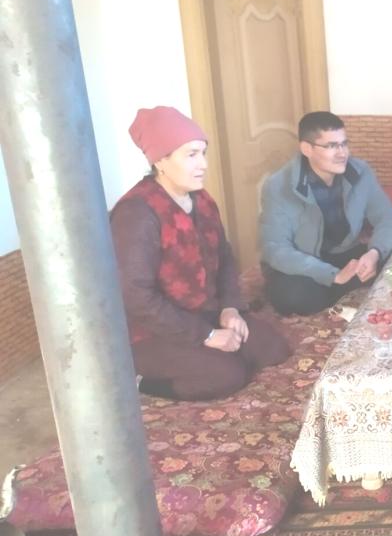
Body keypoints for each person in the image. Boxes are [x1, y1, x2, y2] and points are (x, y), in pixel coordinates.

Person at [111, 106, 291, 401]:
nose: (203, 164)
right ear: (160, 161)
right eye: (191, 155)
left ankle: (214, 351)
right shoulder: (137, 214)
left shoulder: (202, 200)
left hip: (206, 313)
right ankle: (142, 381)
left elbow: (225, 257)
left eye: (203, 153)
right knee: (226, 375)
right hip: (154, 330)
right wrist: (206, 336)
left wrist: (230, 308)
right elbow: (136, 297)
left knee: (272, 348)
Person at [260, 111, 392, 315]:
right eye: (332, 146)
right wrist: (332, 275)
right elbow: (276, 249)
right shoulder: (278, 186)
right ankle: (344, 287)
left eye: (344, 144)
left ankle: (345, 287)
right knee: (294, 297)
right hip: (305, 262)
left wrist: (374, 253)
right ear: (307, 149)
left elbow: (388, 218)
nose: (342, 153)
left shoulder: (360, 171)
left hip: (346, 254)